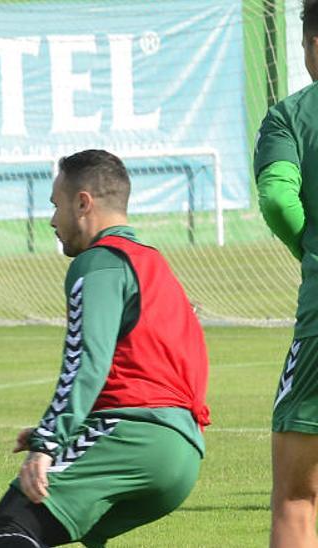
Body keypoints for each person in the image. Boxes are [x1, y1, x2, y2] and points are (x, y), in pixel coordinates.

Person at [0, 149, 210, 547]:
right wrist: (71, 432)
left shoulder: (99, 262)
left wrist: (49, 441)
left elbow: (86, 365)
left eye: (56, 205)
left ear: (82, 203)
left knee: (7, 531)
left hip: (134, 436)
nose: (51, 220)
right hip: (181, 452)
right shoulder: (153, 264)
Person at [256, 2, 318, 545]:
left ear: (314, 45)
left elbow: (277, 198)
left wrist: (309, 246)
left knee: (298, 495)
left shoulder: (292, 115)